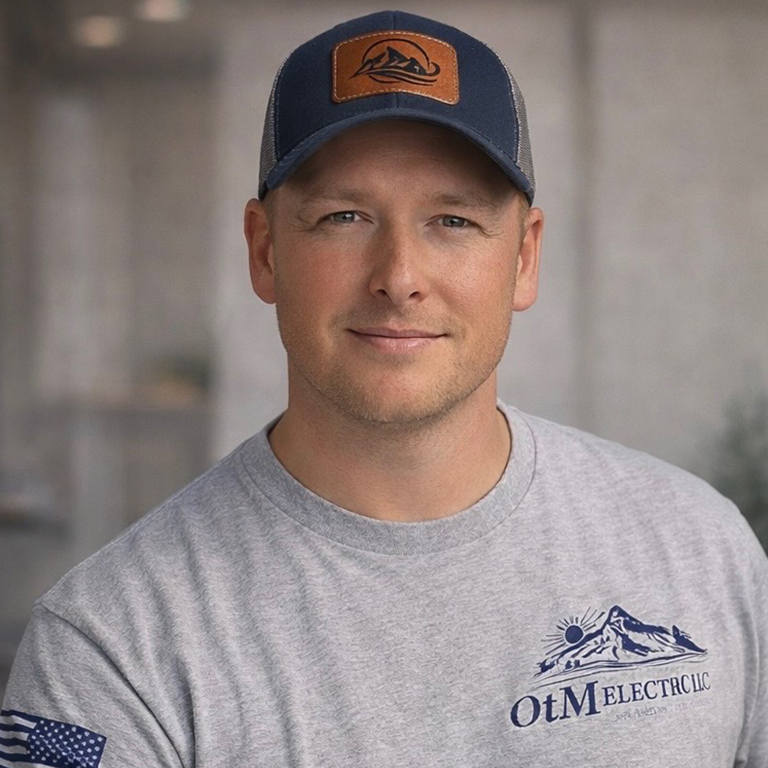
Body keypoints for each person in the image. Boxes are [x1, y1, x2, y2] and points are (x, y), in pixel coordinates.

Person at [2, 9, 766, 767]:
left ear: (525, 257)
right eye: (344, 216)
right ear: (265, 253)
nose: (399, 277)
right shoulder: (109, 646)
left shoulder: (700, 550)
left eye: (453, 221)